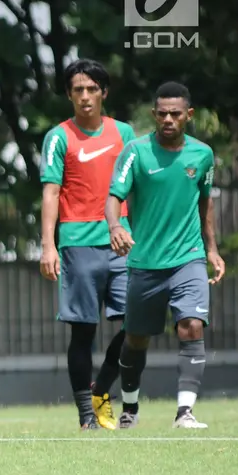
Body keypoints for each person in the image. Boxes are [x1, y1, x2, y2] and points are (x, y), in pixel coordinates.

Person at [107, 82, 224, 430]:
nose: (168, 119)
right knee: (136, 339)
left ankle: (184, 412)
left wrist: (212, 249)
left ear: (188, 115)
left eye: (175, 113)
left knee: (191, 325)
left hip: (188, 258)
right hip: (144, 263)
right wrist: (115, 227)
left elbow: (206, 202)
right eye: (162, 113)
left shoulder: (202, 154)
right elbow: (114, 196)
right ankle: (130, 407)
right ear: (153, 115)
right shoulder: (135, 152)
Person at [39, 59, 138, 430]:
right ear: (69, 94)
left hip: (123, 244)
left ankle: (103, 390)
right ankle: (86, 416)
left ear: (104, 93)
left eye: (92, 89)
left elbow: (138, 188)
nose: (85, 96)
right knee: (83, 332)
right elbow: (50, 191)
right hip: (78, 245)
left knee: (137, 325)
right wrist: (48, 245)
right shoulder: (58, 137)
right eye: (77, 89)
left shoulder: (124, 133)